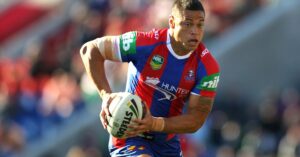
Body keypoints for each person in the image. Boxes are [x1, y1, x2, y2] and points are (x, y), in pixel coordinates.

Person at [80, 0, 220, 156]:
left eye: (200, 24)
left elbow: (196, 120)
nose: (195, 31)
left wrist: (154, 123)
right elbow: (90, 50)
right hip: (130, 134)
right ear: (172, 23)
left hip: (166, 143)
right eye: (187, 24)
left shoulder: (208, 68)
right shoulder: (145, 44)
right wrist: (105, 95)